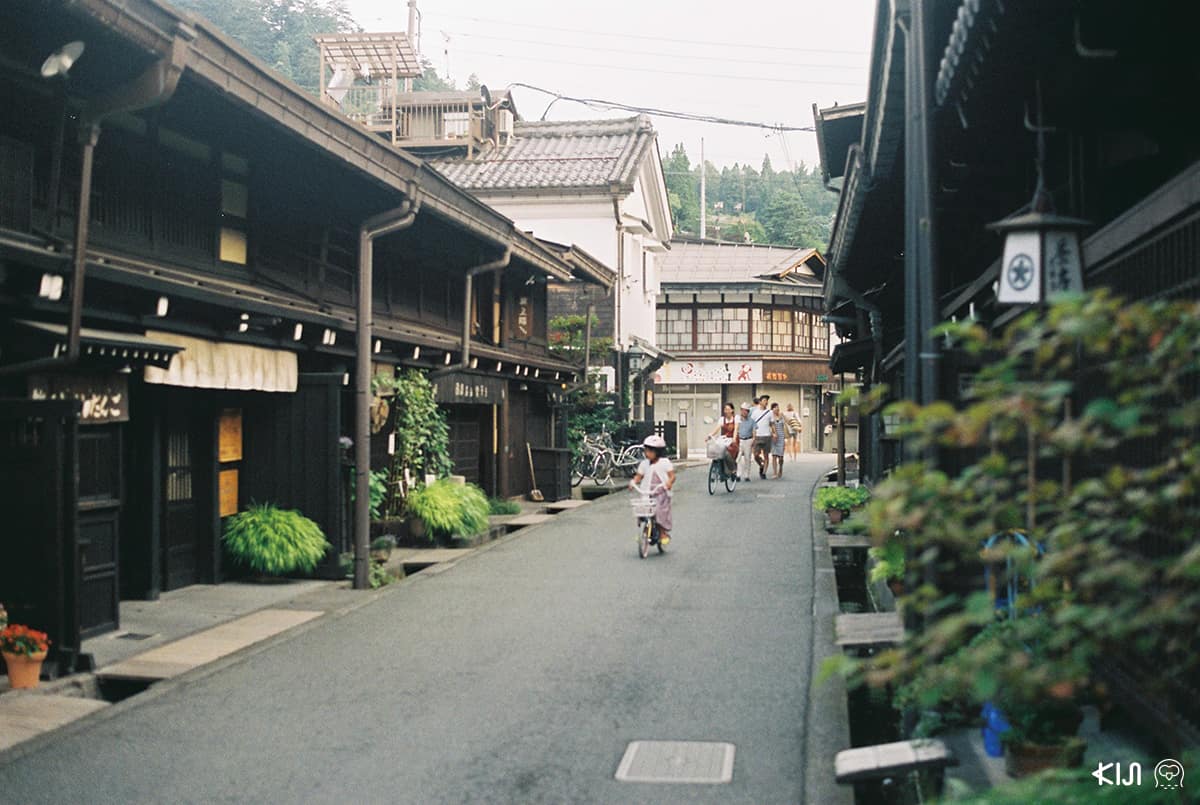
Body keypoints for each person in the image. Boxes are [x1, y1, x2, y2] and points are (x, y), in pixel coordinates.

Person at [629, 434, 675, 546]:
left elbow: (672, 476)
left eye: (650, 451)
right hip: (647, 492)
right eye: (646, 451)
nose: (647, 453)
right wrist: (633, 482)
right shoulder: (644, 464)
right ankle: (644, 531)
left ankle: (663, 532)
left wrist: (669, 482)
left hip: (661, 492)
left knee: (660, 511)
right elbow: (639, 476)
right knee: (642, 510)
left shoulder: (665, 463)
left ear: (658, 452)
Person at [707, 402, 739, 477]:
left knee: (727, 453)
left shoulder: (736, 418)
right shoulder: (722, 419)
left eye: (728, 409)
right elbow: (717, 429)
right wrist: (710, 435)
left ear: (732, 410)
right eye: (725, 409)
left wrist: (734, 438)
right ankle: (720, 468)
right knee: (717, 450)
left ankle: (733, 468)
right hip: (725, 439)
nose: (726, 411)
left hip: (733, 439)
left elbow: (736, 429)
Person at [750, 396, 774, 480]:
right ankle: (761, 465)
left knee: (766, 455)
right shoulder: (755, 412)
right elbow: (752, 424)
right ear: (760, 402)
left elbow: (772, 424)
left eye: (767, 401)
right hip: (757, 436)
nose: (766, 402)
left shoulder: (770, 412)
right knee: (756, 455)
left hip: (767, 436)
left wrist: (774, 433)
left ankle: (764, 473)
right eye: (764, 400)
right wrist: (752, 435)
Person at [735, 401, 756, 482]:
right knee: (738, 458)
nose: (744, 412)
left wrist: (754, 439)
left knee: (747, 458)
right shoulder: (738, 419)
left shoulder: (751, 420)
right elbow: (736, 429)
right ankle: (738, 474)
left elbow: (754, 430)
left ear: (748, 412)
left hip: (748, 440)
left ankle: (747, 475)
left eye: (746, 410)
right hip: (740, 440)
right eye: (742, 410)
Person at [769, 402, 785, 478]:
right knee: (774, 455)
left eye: (778, 407)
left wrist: (784, 416)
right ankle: (775, 473)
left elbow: (788, 423)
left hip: (781, 437)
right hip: (774, 437)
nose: (777, 409)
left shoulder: (781, 416)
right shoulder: (771, 417)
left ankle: (780, 469)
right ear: (772, 409)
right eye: (775, 407)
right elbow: (770, 426)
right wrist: (773, 434)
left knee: (781, 456)